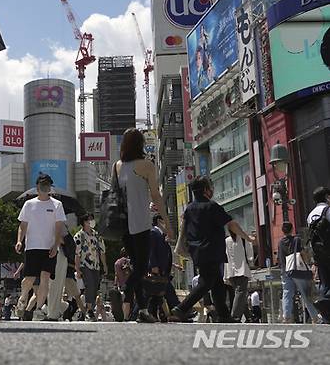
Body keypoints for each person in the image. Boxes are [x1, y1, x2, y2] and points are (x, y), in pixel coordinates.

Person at [169, 176, 255, 323]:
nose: (212, 190)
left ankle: (224, 315)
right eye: (210, 187)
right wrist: (248, 237)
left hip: (197, 251)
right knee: (206, 282)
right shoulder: (211, 206)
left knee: (217, 284)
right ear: (205, 190)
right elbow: (231, 224)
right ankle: (181, 308)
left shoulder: (189, 209)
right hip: (211, 250)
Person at [115, 128, 171, 323]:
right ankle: (128, 288)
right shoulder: (147, 165)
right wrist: (168, 223)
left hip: (124, 223)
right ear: (140, 145)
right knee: (140, 268)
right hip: (141, 222)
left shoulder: (118, 165)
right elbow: (156, 196)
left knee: (136, 265)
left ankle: (143, 310)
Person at [15, 174, 66, 321]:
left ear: (50, 187)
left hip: (49, 248)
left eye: (48, 184)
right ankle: (23, 298)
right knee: (29, 279)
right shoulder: (29, 204)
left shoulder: (57, 204)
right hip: (32, 247)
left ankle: (38, 309)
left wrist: (55, 245)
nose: (45, 187)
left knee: (45, 278)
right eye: (43, 184)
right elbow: (23, 225)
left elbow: (59, 227)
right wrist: (19, 240)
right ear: (37, 187)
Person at [278, 222, 324, 323]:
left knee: (287, 293)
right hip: (297, 270)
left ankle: (286, 317)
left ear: (282, 231)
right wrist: (308, 263)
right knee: (305, 294)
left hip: (285, 271)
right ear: (292, 229)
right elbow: (302, 253)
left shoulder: (280, 242)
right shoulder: (296, 240)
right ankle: (314, 317)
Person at [74, 214, 107, 321]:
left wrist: (104, 265)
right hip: (85, 265)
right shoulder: (79, 236)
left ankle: (86, 310)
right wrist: (77, 269)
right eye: (89, 220)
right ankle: (89, 310)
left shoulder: (97, 235)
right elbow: (77, 254)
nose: (91, 222)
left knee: (94, 288)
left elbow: (102, 251)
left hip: (96, 266)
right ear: (84, 222)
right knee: (89, 285)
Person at [307, 186, 330, 322]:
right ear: (327, 197)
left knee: (325, 282)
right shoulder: (326, 209)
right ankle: (324, 300)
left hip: (319, 252)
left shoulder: (310, 215)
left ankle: (323, 303)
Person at [224, 227, 254, 321]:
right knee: (240, 293)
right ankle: (234, 316)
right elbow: (250, 257)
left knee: (240, 295)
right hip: (242, 269)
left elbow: (225, 256)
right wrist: (252, 264)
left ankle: (249, 317)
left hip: (230, 271)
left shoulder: (226, 240)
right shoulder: (244, 239)